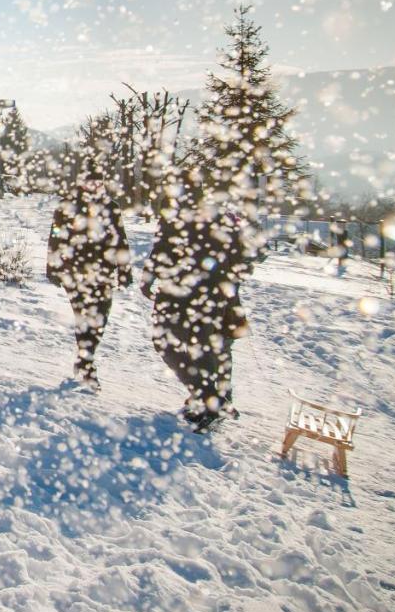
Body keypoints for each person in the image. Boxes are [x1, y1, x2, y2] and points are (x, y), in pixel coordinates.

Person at [141, 189, 254, 431]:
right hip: (209, 296)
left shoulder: (184, 214)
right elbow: (242, 258)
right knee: (209, 348)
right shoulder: (215, 216)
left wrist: (149, 278)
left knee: (181, 345)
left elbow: (161, 248)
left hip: (188, 296)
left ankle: (210, 400)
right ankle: (212, 398)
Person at [47, 178, 133, 385]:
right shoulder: (66, 205)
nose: (94, 185)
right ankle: (86, 364)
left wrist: (124, 270)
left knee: (100, 317)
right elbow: (56, 236)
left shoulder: (111, 207)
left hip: (102, 273)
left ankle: (85, 358)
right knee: (83, 317)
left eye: (98, 181)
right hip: (74, 272)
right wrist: (52, 266)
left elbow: (120, 238)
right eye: (90, 181)